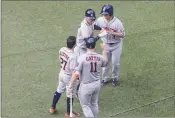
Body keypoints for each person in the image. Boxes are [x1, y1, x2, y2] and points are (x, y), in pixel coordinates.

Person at [68, 37, 108, 117]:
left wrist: (70, 84)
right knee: (94, 104)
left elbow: (76, 74)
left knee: (85, 106)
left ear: (86, 46)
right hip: (97, 84)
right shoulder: (100, 57)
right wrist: (104, 50)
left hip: (86, 86)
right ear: (94, 46)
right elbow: (106, 62)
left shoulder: (82, 58)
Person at [49, 36, 80, 118]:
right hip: (69, 76)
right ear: (74, 45)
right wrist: (76, 78)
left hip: (61, 73)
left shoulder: (62, 49)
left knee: (59, 90)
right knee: (70, 95)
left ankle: (52, 107)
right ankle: (68, 113)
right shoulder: (73, 56)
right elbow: (73, 70)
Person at [95, 4, 125, 86]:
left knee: (115, 64)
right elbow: (94, 25)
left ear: (110, 14)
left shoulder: (118, 23)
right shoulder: (100, 20)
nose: (104, 16)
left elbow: (123, 34)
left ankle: (115, 78)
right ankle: (104, 79)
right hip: (106, 45)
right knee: (105, 63)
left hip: (116, 45)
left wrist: (112, 32)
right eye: (103, 14)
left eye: (106, 14)